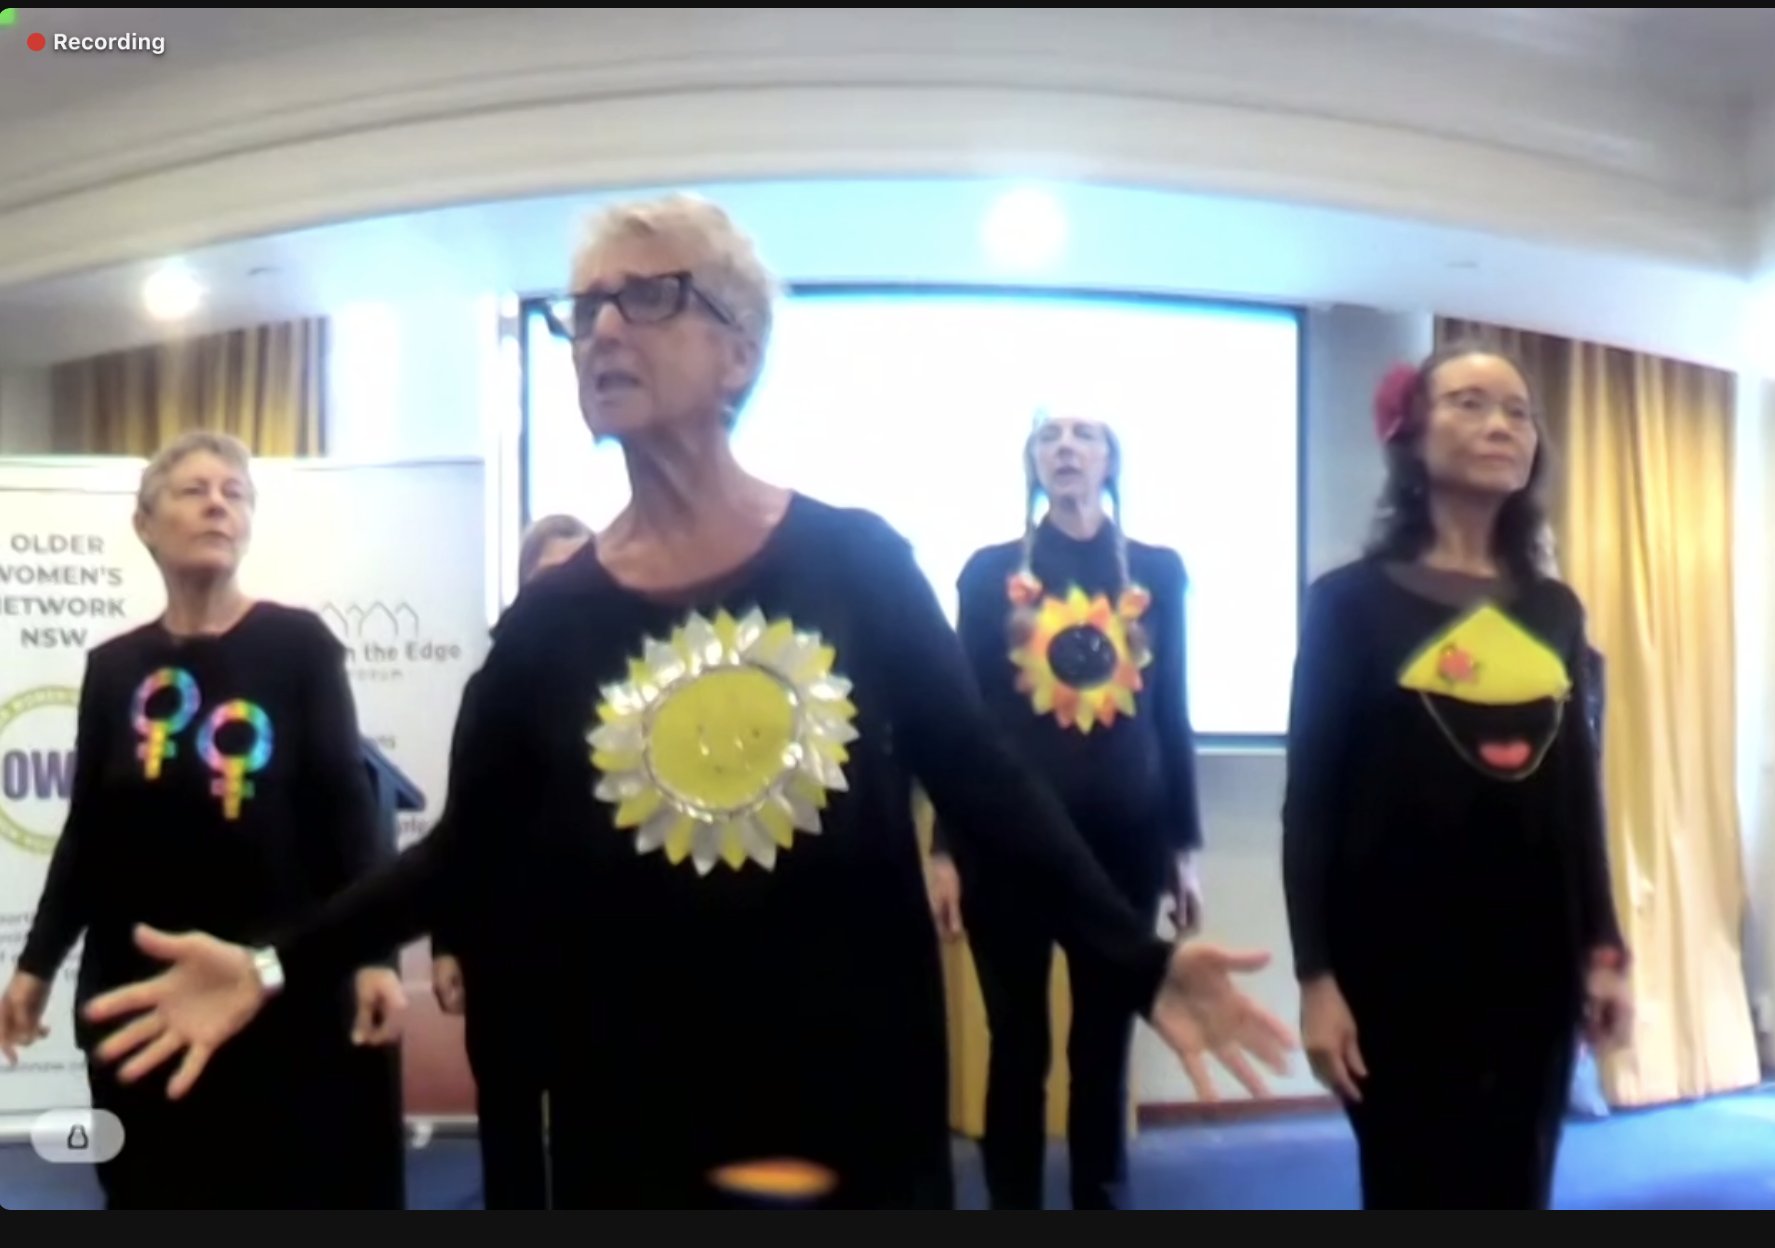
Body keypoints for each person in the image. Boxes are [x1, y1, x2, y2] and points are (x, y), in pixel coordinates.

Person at [79, 193, 1293, 1211]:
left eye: (647, 297)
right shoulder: (553, 625)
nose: (602, 328)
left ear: (739, 350)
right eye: (585, 309)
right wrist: (274, 966)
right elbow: (464, 852)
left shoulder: (857, 564)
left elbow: (984, 783)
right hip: (638, 1108)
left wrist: (1134, 956)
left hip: (852, 1093)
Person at [0, 431, 407, 1210]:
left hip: (275, 988)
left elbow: (346, 814)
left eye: (235, 492)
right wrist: (37, 964)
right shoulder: (113, 668)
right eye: (195, 490)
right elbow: (87, 832)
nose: (219, 503)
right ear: (145, 523)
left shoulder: (300, 646)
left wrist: (375, 953)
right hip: (136, 994)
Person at [1280, 342, 1631, 1210]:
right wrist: (1317, 979)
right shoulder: (1347, 603)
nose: (1501, 425)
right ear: (1410, 433)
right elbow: (1311, 805)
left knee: (1518, 1185)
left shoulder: (1555, 610)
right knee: (1411, 1186)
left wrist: (1607, 950)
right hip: (1394, 965)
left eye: (1517, 411)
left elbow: (1577, 798)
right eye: (1470, 403)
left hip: (1535, 964)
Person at [929, 412, 1203, 1209]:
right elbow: (961, 716)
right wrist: (946, 845)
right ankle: (1013, 1201)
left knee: (1104, 1041)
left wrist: (1186, 845)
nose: (1067, 449)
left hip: (1128, 841)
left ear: (1110, 461)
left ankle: (1100, 1196)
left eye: (1085, 437)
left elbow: (1172, 708)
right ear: (1034, 466)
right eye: (1050, 439)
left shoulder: (1156, 571)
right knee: (1017, 1042)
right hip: (1004, 845)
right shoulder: (988, 574)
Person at [429, 513, 592, 1209]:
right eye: (546, 575)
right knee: (510, 1137)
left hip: (602, 954)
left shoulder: (639, 688)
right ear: (523, 588)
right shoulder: (489, 689)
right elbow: (460, 825)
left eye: (577, 573)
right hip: (505, 953)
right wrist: (446, 944)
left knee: (599, 1140)